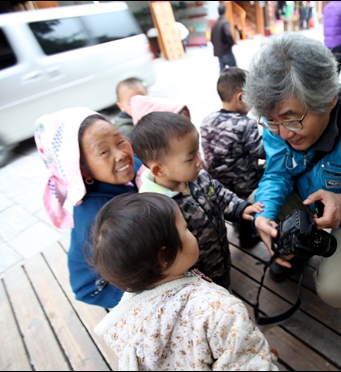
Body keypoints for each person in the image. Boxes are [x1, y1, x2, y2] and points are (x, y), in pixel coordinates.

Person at [242, 34, 341, 310]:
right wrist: (264, 216)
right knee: (260, 199)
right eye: (272, 121)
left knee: (336, 292)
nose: (284, 133)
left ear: (329, 99)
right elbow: (277, 174)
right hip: (307, 203)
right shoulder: (277, 125)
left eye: (293, 119)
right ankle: (297, 249)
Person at [91, 193, 279, 371]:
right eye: (186, 228)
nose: (191, 232)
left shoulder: (126, 318)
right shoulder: (219, 310)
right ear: (165, 256)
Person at [130, 104, 264, 290]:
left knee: (226, 283)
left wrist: (240, 207)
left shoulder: (197, 176)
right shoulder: (156, 211)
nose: (200, 160)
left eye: (197, 151)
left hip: (220, 256)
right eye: (190, 157)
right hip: (198, 281)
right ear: (159, 170)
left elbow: (219, 193)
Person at [34, 108, 143, 308]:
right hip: (103, 286)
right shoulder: (98, 216)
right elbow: (89, 286)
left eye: (119, 141)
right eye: (103, 151)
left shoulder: (128, 167)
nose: (121, 155)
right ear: (83, 170)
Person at [201, 67, 265, 248]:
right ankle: (247, 238)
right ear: (241, 97)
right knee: (246, 207)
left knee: (234, 206)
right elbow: (260, 152)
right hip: (244, 182)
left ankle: (237, 227)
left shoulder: (207, 120)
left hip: (219, 182)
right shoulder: (245, 124)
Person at [112, 78, 190, 142]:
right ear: (121, 106)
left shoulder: (153, 112)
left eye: (142, 98)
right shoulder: (125, 130)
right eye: (131, 102)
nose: (139, 104)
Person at [210, 3, 237, 73]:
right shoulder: (224, 22)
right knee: (235, 71)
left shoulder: (215, 24)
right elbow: (228, 33)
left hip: (219, 52)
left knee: (222, 72)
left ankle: (222, 84)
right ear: (225, 11)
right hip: (225, 50)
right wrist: (232, 43)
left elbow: (212, 39)